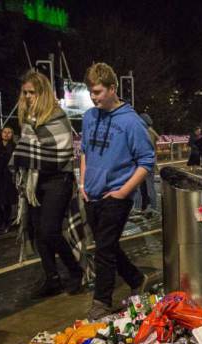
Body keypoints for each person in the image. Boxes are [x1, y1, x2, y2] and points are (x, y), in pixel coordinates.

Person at [80, 62, 155, 318]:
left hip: (116, 194)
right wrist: (82, 183)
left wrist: (123, 192)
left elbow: (146, 161)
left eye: (98, 92)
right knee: (106, 245)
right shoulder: (90, 116)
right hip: (91, 193)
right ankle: (136, 278)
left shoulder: (131, 122)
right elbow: (83, 152)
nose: (93, 97)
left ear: (113, 89)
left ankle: (101, 301)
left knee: (103, 249)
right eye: (91, 91)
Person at [13, 70, 86, 299]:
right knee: (38, 232)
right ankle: (52, 278)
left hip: (58, 179)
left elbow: (61, 151)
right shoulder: (27, 120)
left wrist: (24, 155)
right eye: (24, 92)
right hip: (35, 183)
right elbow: (27, 150)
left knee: (50, 230)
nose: (27, 97)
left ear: (42, 93)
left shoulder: (57, 116)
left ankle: (76, 271)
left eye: (32, 92)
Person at [0, 125, 17, 234]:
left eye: (9, 132)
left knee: (6, 202)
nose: (6, 134)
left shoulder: (14, 146)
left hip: (8, 177)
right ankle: (4, 219)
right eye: (4, 132)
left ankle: (5, 223)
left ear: (12, 135)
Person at [139, 113, 159, 215]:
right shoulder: (150, 131)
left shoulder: (146, 132)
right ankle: (145, 206)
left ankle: (153, 208)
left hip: (146, 163)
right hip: (148, 162)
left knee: (148, 186)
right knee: (145, 186)